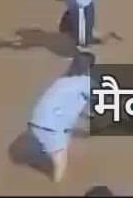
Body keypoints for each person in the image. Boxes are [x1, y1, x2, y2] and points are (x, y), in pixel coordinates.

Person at [26, 52, 95, 183]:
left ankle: (43, 153)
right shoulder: (87, 83)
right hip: (52, 131)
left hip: (35, 124)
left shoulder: (61, 81)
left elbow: (68, 105)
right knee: (60, 171)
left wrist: (86, 116)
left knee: (51, 147)